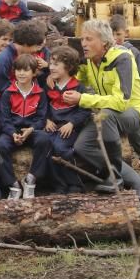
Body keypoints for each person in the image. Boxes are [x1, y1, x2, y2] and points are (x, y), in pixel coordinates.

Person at [66, 19, 140, 195]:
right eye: (82, 39)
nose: (83, 44)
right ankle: (136, 180)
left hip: (133, 112)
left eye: (89, 39)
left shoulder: (122, 58)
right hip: (107, 115)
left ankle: (115, 177)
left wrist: (82, 99)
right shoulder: (90, 62)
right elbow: (75, 78)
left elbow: (121, 102)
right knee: (82, 147)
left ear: (104, 41)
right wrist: (53, 74)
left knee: (107, 114)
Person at [0, 53, 52, 199]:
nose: (21, 73)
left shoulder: (40, 93)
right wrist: (12, 133)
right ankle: (13, 184)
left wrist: (32, 129)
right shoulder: (8, 93)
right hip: (12, 131)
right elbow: (4, 118)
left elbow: (41, 118)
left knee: (44, 139)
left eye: (25, 70)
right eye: (18, 70)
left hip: (32, 130)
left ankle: (31, 179)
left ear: (34, 73)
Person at [44, 46, 89, 193]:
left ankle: (75, 183)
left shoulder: (78, 87)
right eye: (51, 63)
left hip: (70, 127)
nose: (51, 67)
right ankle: (59, 184)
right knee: (47, 146)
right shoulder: (49, 85)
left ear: (68, 67)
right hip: (52, 126)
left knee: (61, 148)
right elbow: (42, 106)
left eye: (56, 64)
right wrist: (47, 119)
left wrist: (72, 123)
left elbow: (85, 111)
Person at [0, 20, 49, 93]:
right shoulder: (4, 59)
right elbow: (0, 87)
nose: (37, 49)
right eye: (36, 46)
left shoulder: (29, 54)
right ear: (26, 44)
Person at [109, 14, 140, 92]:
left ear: (126, 33)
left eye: (118, 34)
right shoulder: (105, 53)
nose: (114, 38)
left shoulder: (134, 52)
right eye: (111, 34)